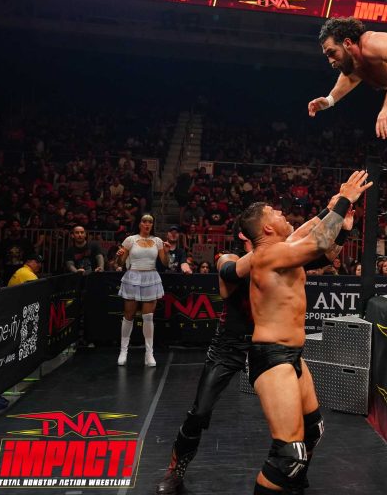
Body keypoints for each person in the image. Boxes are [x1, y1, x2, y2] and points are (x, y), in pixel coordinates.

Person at [155, 198, 355, 495]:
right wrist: (307, 229)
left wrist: (332, 216)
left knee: (310, 429)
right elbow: (231, 272)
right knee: (199, 413)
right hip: (231, 345)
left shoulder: (280, 253)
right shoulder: (235, 258)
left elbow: (317, 252)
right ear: (254, 232)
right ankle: (174, 471)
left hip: (271, 346)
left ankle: (293, 478)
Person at [241, 171, 371, 494]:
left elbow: (326, 251)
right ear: (266, 228)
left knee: (312, 431)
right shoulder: (267, 255)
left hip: (292, 355)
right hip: (272, 358)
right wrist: (343, 200)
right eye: (275, 213)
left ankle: (293, 487)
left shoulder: (285, 249)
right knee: (288, 454)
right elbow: (318, 240)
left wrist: (340, 219)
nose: (282, 213)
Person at [115, 214, 168, 366]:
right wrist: (119, 256)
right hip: (133, 277)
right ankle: (123, 351)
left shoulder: (158, 241)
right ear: (139, 224)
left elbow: (165, 263)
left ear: (152, 225)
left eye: (150, 222)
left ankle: (149, 354)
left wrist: (166, 251)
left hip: (151, 277)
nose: (147, 224)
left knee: (148, 317)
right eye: (144, 221)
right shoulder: (130, 240)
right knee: (128, 316)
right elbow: (120, 263)